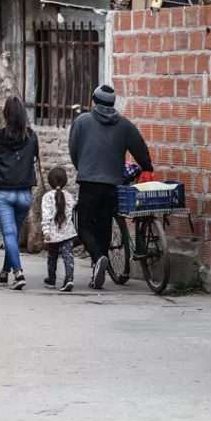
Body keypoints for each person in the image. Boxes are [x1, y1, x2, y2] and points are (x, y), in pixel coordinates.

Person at [69, 85, 154, 290]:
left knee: (84, 225)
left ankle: (99, 258)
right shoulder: (124, 125)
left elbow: (73, 148)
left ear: (94, 101)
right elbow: (140, 147)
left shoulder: (82, 121)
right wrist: (147, 167)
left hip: (89, 182)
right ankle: (102, 261)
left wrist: (82, 168)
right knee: (104, 224)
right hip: (113, 184)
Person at [0, 96, 39, 291]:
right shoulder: (32, 136)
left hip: (2, 193)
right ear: (23, 115)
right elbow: (34, 158)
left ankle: (18, 273)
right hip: (24, 194)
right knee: (11, 234)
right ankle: (4, 272)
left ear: (5, 115)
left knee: (9, 233)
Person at [42, 167, 78, 293]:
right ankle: (69, 278)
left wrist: (46, 231)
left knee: (52, 256)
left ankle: (51, 279)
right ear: (65, 181)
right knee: (68, 255)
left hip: (52, 234)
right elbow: (74, 209)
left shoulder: (47, 197)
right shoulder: (69, 196)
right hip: (68, 232)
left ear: (50, 181)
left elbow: (46, 216)